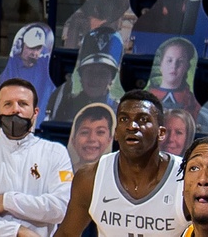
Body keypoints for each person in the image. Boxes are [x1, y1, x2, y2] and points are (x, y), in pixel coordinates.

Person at [55, 91, 189, 237]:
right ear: (116, 132)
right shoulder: (90, 177)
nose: (131, 126)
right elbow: (66, 234)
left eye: (143, 119)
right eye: (124, 119)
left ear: (161, 133)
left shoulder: (187, 178)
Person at [0, 79, 72, 237]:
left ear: (35, 112)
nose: (15, 110)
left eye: (23, 104)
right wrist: (17, 232)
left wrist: (8, 201)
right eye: (8, 104)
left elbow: (60, 209)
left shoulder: (56, 152)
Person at [0, 24, 56, 122]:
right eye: (31, 47)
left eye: (38, 48)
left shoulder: (44, 68)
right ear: (20, 46)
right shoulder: (1, 79)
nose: (35, 53)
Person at [147, 37, 201, 118]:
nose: (174, 66)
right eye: (169, 60)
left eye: (180, 61)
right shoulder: (146, 97)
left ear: (187, 67)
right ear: (160, 64)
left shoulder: (192, 102)